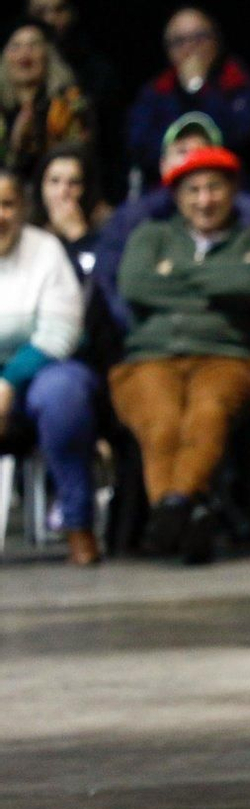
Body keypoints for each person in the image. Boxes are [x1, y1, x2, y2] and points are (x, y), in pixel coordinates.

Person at [110, 146, 250, 564]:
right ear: (178, 197)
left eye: (214, 188)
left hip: (225, 356)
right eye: (193, 190)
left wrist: (174, 278)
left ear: (233, 190)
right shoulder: (151, 235)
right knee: (161, 420)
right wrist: (215, 286)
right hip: (151, 357)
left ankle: (171, 513)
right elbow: (134, 285)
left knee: (207, 413)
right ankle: (185, 513)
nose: (205, 200)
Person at [93, 112, 250, 334]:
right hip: (151, 339)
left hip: (227, 337)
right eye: (182, 152)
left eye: (202, 151)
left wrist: (172, 279)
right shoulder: (135, 219)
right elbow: (124, 286)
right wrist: (142, 330)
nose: (193, 159)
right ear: (163, 164)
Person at [0, 167, 100, 565]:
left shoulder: (45, 251)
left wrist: (7, 383)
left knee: (64, 393)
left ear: (23, 208)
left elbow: (61, 333)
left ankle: (77, 525)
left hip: (40, 377)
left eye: (7, 204)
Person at [126, 8, 250, 192]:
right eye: (179, 41)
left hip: (235, 189)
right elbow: (139, 146)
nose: (190, 47)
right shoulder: (155, 91)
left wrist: (199, 88)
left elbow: (244, 137)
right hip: (167, 189)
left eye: (199, 37)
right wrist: (180, 153)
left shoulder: (240, 82)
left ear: (216, 41)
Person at [24, 0, 120, 193]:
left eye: (59, 10)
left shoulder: (96, 73)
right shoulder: (13, 73)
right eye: (41, 12)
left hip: (81, 186)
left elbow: (112, 146)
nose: (50, 19)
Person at [1, 19, 93, 181]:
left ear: (48, 54)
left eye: (33, 45)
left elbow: (79, 158)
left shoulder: (70, 102)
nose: (24, 54)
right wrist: (15, 146)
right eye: (16, 46)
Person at [32, 144, 111, 277]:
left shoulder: (106, 228)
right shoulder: (25, 228)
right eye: (54, 181)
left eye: (74, 183)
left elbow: (99, 278)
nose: (62, 192)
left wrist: (79, 237)